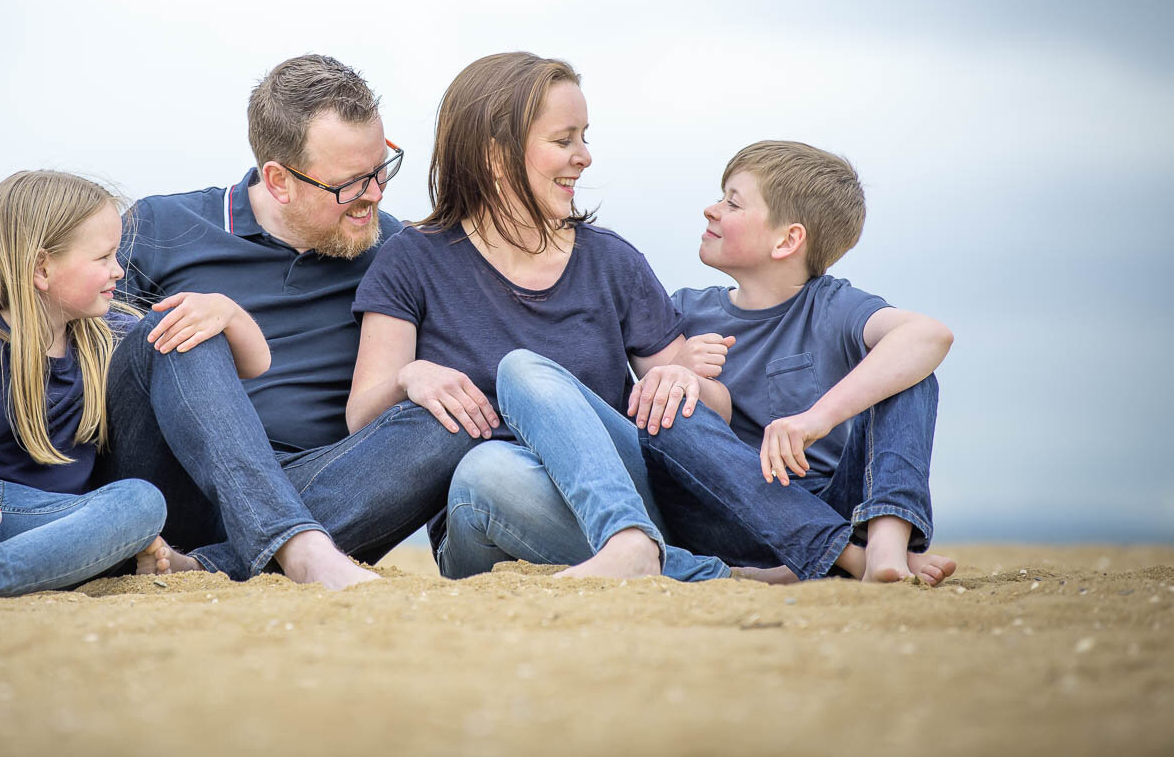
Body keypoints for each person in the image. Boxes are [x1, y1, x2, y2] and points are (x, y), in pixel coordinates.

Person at [93, 54, 478, 591]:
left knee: (455, 415)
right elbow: (91, 363)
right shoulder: (161, 226)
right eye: (350, 183)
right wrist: (222, 319)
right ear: (278, 180)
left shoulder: (397, 250)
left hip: (320, 490)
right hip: (171, 486)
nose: (374, 195)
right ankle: (294, 548)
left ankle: (219, 564)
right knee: (188, 325)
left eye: (380, 169)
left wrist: (413, 376)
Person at [347, 51, 734, 582]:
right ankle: (673, 565)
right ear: (494, 155)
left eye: (585, 137)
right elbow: (362, 419)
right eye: (563, 140)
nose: (584, 157)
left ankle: (631, 544)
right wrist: (408, 377)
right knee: (485, 471)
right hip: (486, 510)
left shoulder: (612, 262)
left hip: (627, 497)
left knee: (522, 371)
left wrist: (682, 377)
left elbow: (716, 415)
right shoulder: (412, 259)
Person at [0, 170, 262, 600]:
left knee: (142, 503)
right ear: (42, 267)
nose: (119, 270)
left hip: (38, 534)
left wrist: (229, 312)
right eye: (103, 258)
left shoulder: (108, 336)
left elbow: (251, 365)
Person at [648, 141, 956, 583]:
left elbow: (929, 335)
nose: (710, 210)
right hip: (731, 517)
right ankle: (847, 556)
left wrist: (814, 420)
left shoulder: (831, 306)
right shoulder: (685, 313)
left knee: (913, 373)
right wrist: (677, 365)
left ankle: (885, 546)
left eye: (732, 202)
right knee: (668, 406)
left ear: (788, 240)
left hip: (835, 503)